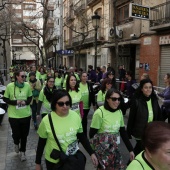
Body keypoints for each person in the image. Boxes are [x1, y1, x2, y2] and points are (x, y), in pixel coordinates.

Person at [35, 89, 98, 170]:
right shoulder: (47, 120)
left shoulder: (75, 116)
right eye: (61, 104)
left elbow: (82, 137)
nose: (65, 106)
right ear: (54, 104)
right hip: (54, 162)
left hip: (72, 159)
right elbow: (41, 143)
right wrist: (38, 163)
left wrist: (91, 153)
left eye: (67, 103)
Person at [89, 88, 134, 169]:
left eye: (119, 99)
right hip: (102, 151)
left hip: (115, 148)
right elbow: (91, 134)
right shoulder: (99, 113)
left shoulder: (119, 112)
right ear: (107, 99)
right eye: (114, 99)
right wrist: (93, 153)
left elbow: (123, 132)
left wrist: (130, 150)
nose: (117, 102)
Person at [127, 79, 163, 156]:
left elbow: (159, 116)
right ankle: (132, 163)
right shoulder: (137, 101)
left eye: (150, 87)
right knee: (144, 149)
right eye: (146, 87)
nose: (148, 89)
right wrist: (128, 132)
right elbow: (131, 117)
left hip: (150, 131)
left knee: (141, 150)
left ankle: (131, 162)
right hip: (140, 132)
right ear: (141, 89)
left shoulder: (154, 100)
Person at [3, 70, 32, 161]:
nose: (24, 78)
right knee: (16, 134)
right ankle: (16, 142)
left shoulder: (27, 85)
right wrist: (15, 102)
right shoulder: (10, 86)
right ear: (17, 77)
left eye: (25, 76)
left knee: (24, 135)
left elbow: (30, 97)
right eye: (22, 76)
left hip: (26, 115)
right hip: (14, 116)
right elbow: (5, 98)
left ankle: (23, 152)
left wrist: (26, 102)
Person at [79, 72, 96, 137]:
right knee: (81, 120)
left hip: (87, 106)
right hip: (79, 107)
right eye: (83, 76)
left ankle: (84, 135)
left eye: (86, 76)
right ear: (81, 77)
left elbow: (92, 95)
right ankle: (81, 134)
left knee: (84, 119)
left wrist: (94, 104)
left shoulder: (89, 84)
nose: (85, 78)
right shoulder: (78, 84)